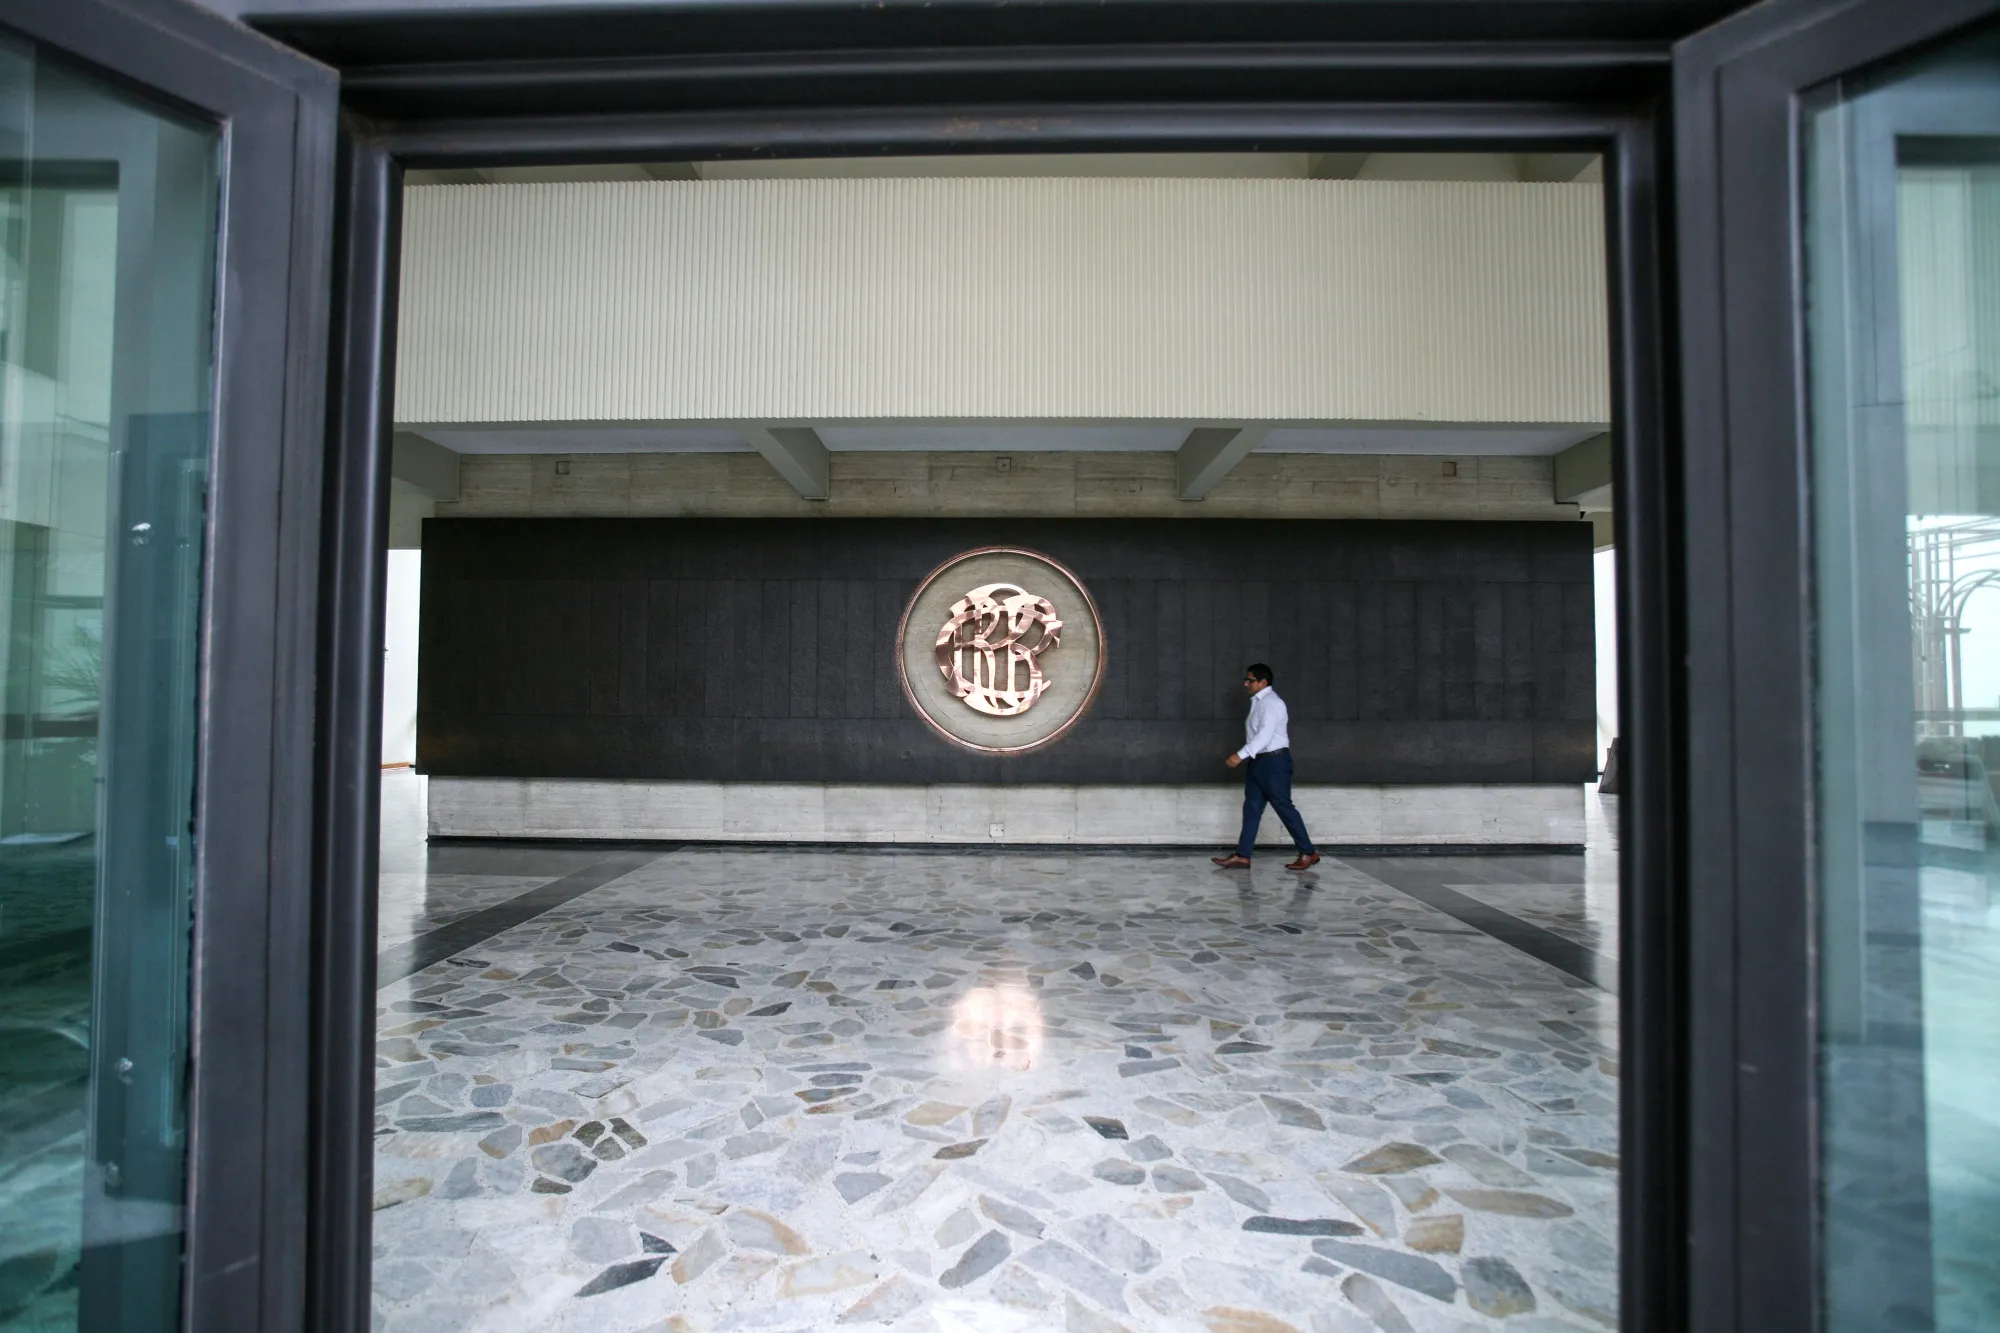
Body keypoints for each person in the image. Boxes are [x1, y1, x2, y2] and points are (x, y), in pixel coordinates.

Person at [1211, 663, 1319, 870]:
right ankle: (1243, 855)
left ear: (1263, 682)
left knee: (1283, 806)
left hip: (1274, 762)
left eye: (1250, 680)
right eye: (1246, 679)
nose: (1245, 684)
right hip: (1259, 761)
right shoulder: (1259, 702)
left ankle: (1308, 852)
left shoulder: (1271, 703)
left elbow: (1265, 735)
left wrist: (1240, 755)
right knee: (1251, 807)